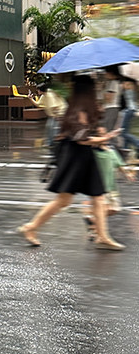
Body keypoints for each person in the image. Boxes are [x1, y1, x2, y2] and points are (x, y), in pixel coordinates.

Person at [18, 76, 124, 250]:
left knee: (98, 196)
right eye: (94, 87)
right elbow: (82, 139)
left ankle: (102, 236)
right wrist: (105, 138)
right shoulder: (78, 110)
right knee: (64, 200)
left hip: (84, 156)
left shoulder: (80, 107)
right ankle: (31, 227)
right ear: (87, 90)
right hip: (75, 158)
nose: (97, 89)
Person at [83, 128, 136, 235]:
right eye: (101, 134)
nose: (105, 136)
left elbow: (119, 164)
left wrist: (128, 174)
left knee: (115, 209)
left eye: (105, 133)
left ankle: (92, 220)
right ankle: (96, 229)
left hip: (111, 186)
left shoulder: (111, 150)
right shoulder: (94, 152)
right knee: (103, 207)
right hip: (100, 186)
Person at [119, 77, 139, 162]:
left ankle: (137, 144)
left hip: (129, 111)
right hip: (130, 110)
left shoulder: (129, 91)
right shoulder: (133, 90)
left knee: (123, 132)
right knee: (125, 131)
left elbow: (130, 103)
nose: (124, 85)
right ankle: (125, 150)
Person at [100, 65, 122, 131]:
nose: (105, 74)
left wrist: (103, 92)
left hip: (111, 108)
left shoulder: (114, 83)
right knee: (108, 128)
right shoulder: (113, 82)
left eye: (106, 72)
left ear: (111, 73)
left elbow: (109, 98)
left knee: (107, 129)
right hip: (111, 108)